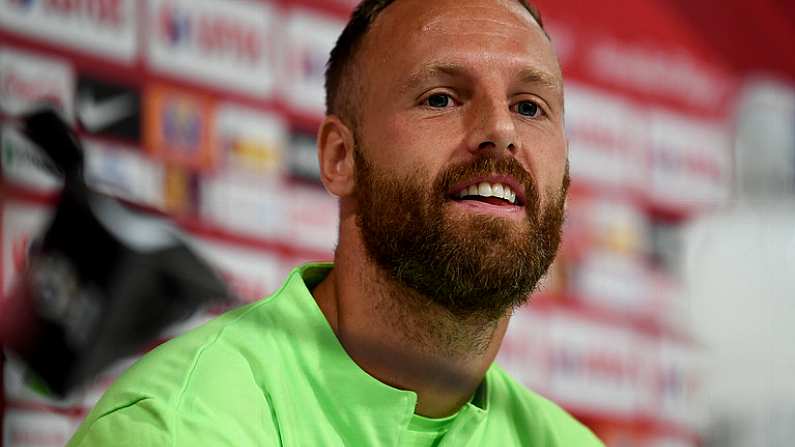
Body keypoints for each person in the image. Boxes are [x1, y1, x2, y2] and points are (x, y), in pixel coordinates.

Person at [68, 0, 604, 445]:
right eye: (440, 97)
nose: (499, 129)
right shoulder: (180, 426)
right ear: (340, 158)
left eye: (531, 107)